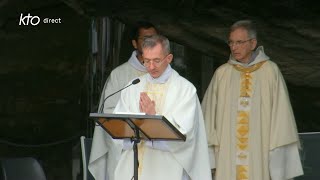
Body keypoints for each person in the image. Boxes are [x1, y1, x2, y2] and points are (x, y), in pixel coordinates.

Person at [93, 34, 212, 180]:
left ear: (169, 58)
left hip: (168, 169)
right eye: (147, 61)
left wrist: (152, 119)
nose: (151, 67)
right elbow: (120, 130)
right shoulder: (133, 86)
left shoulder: (185, 90)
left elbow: (185, 137)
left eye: (156, 60)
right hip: (133, 167)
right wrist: (130, 134)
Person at [201, 20, 303, 180]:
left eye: (239, 42)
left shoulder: (270, 71)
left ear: (253, 43)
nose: (234, 47)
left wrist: (277, 163)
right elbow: (208, 120)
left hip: (260, 153)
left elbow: (281, 119)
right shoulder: (222, 74)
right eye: (231, 42)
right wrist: (211, 159)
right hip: (227, 156)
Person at [88, 21, 158, 180]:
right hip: (127, 148)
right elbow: (108, 115)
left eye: (154, 38)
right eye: (145, 39)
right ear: (135, 43)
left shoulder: (167, 75)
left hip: (158, 148)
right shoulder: (119, 75)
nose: (150, 43)